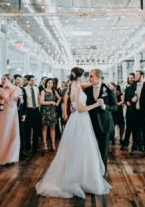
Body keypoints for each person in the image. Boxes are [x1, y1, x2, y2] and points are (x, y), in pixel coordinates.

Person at [35, 67, 111, 199]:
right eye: (86, 75)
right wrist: (97, 105)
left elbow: (88, 86)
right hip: (81, 119)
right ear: (80, 76)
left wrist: (105, 83)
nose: (88, 78)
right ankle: (78, 177)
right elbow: (81, 109)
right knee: (81, 148)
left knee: (78, 148)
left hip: (78, 120)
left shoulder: (75, 84)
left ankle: (81, 175)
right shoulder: (76, 86)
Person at [84, 69, 118, 172]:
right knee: (91, 149)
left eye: (91, 76)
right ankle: (92, 171)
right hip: (90, 123)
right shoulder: (87, 89)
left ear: (99, 78)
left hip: (105, 123)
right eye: (89, 76)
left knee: (103, 150)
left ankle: (102, 172)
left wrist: (104, 106)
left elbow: (115, 106)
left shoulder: (108, 88)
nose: (89, 78)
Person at [0, 74, 21, 165]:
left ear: (9, 80)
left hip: (12, 112)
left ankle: (12, 156)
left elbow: (10, 100)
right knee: (3, 132)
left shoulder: (15, 88)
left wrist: (4, 92)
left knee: (13, 132)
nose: (2, 80)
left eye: (4, 79)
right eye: (1, 79)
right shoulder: (0, 89)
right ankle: (2, 156)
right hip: (3, 112)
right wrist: (0, 95)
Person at [40, 78, 61, 152]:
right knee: (44, 128)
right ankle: (45, 145)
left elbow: (59, 98)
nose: (50, 84)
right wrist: (51, 102)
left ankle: (53, 144)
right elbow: (41, 102)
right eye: (49, 83)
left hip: (52, 111)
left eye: (51, 83)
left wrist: (57, 104)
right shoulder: (43, 91)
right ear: (46, 83)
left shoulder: (54, 91)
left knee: (53, 128)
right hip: (45, 111)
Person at [23, 75, 41, 155]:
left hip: (36, 110)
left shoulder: (37, 88)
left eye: (34, 80)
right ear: (28, 81)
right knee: (28, 130)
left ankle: (35, 147)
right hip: (29, 110)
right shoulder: (24, 89)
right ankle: (27, 148)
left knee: (37, 130)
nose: (33, 82)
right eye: (31, 80)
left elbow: (38, 99)